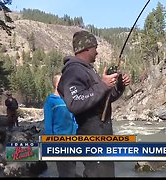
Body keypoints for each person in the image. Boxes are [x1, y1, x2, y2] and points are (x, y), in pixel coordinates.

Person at [57, 30, 131, 177]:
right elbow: (74, 103)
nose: (97, 52)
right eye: (95, 48)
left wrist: (119, 86)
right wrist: (103, 85)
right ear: (86, 48)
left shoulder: (89, 71)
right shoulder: (73, 71)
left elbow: (103, 100)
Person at [43, 73, 78, 177]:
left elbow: (74, 119)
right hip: (59, 142)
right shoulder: (50, 101)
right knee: (65, 172)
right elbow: (48, 126)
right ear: (57, 84)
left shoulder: (68, 100)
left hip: (73, 141)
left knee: (71, 169)